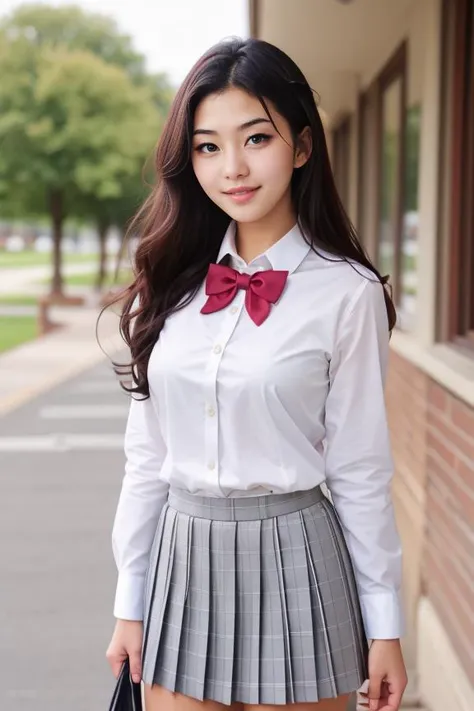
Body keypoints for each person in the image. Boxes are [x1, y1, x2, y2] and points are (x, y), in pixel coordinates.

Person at [105, 37, 408, 711]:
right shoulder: (171, 283)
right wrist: (130, 598)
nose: (233, 167)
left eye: (256, 139)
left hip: (298, 557)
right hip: (182, 559)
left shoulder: (347, 292)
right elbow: (146, 458)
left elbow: (361, 467)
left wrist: (384, 623)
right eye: (208, 146)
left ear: (301, 147)